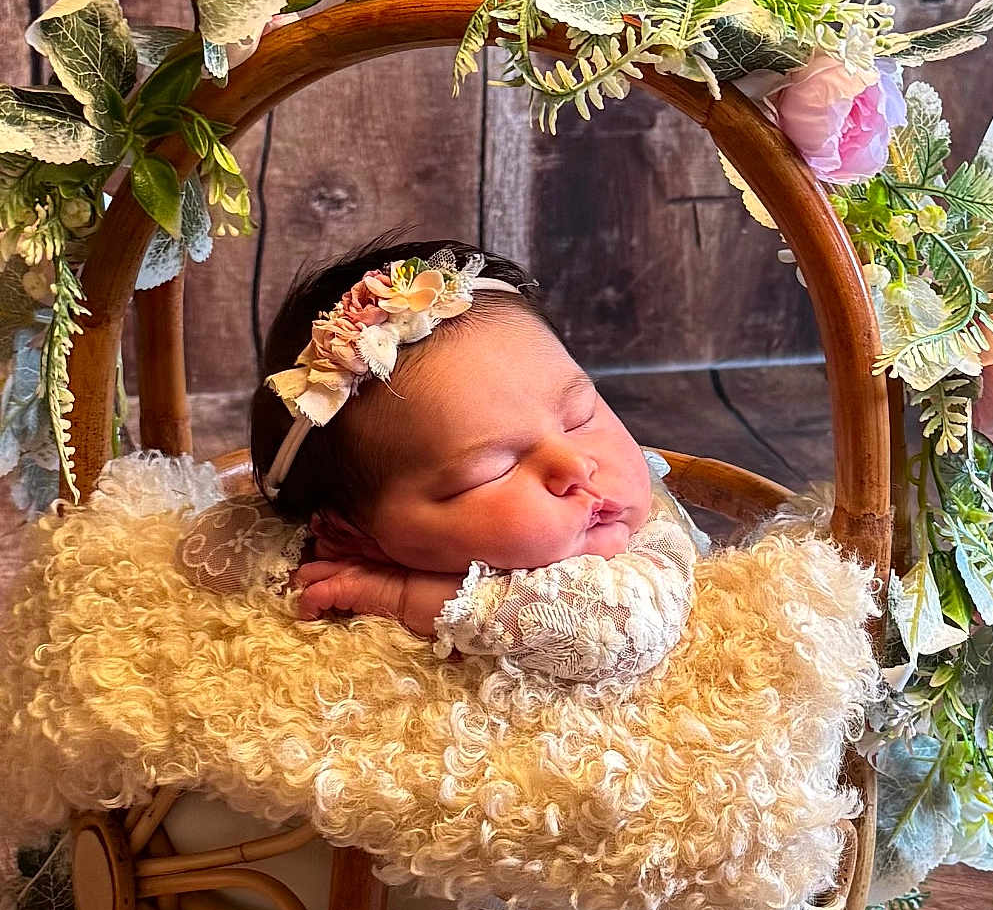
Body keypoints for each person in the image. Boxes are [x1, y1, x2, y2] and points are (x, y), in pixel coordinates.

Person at [246, 235, 709, 684]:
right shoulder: (339, 557)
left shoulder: (650, 536)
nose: (575, 465)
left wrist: (404, 595)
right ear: (352, 534)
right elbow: (211, 557)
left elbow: (615, 631)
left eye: (580, 417)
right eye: (493, 470)